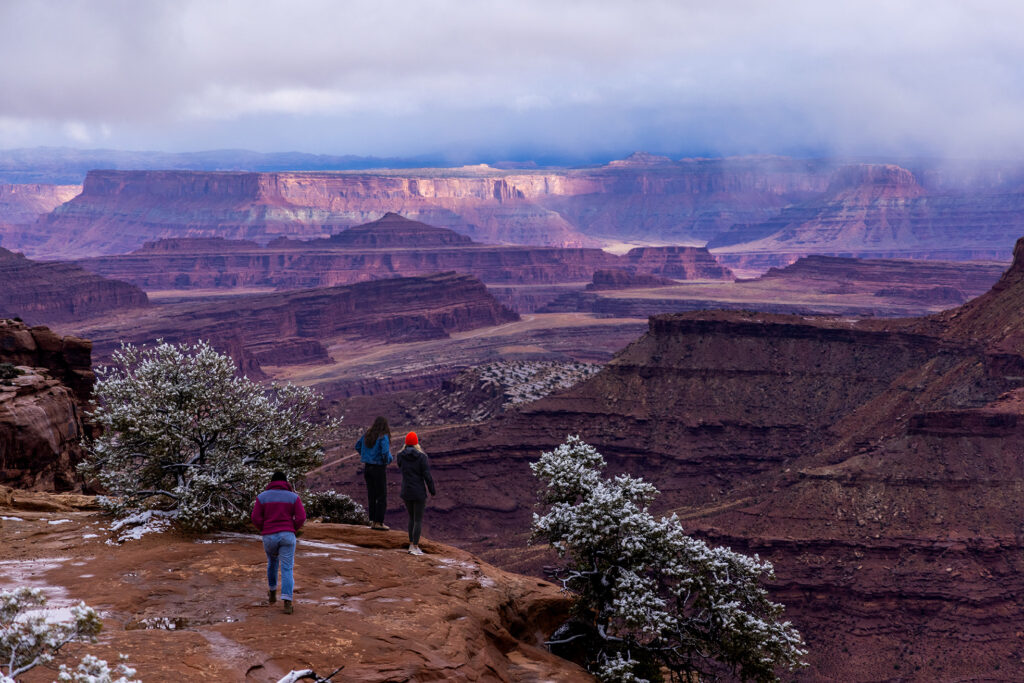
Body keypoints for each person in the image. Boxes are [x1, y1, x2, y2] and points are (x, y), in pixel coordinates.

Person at [251, 470, 306, 614]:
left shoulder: (262, 497)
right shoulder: (293, 497)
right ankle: (287, 602)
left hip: (269, 535)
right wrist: (292, 528)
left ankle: (273, 593)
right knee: (287, 568)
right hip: (287, 535)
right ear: (286, 482)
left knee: (272, 563)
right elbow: (301, 517)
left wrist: (264, 527)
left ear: (271, 482)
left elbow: (255, 517)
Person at [396, 431, 435, 555]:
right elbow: (427, 475)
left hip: (406, 491)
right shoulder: (422, 457)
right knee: (418, 519)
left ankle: (411, 544)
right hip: (418, 492)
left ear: (406, 443)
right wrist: (432, 490)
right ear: (416, 442)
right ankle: (414, 546)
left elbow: (400, 467)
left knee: (411, 518)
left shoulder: (400, 456)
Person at [355, 416, 393, 530]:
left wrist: (366, 456)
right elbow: (385, 452)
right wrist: (387, 461)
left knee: (371, 495)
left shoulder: (367, 434)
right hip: (378, 468)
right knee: (381, 496)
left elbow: (357, 446)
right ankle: (379, 523)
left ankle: (372, 521)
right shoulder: (383, 436)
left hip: (367, 468)